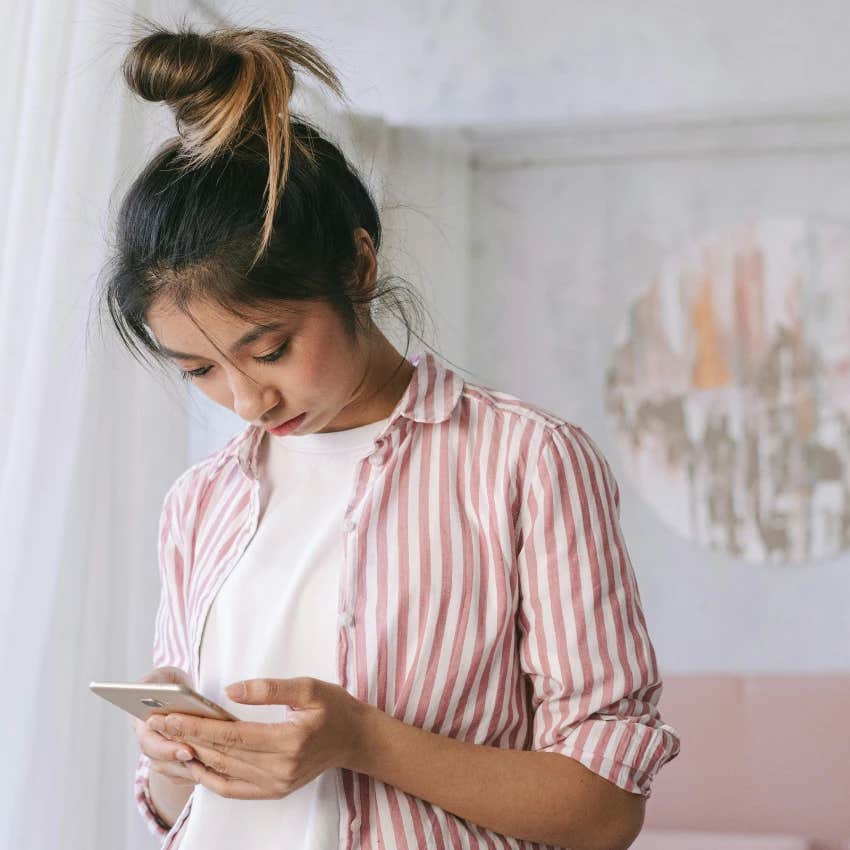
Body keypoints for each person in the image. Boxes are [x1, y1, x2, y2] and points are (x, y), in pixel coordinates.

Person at [102, 21, 681, 850]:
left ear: (359, 267)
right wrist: (172, 749)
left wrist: (362, 740)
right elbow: (166, 809)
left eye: (269, 349)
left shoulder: (524, 461)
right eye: (199, 370)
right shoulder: (201, 501)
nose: (246, 398)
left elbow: (604, 810)